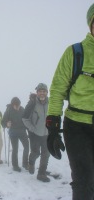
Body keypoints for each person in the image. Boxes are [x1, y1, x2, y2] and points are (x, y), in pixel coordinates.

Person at [46, 4, 94, 199]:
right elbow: (58, 89)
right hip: (77, 126)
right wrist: (53, 126)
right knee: (84, 179)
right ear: (90, 24)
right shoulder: (75, 53)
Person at [22, 83, 50, 182]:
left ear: (47, 92)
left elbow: (54, 116)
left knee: (46, 154)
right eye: (40, 91)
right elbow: (25, 118)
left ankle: (41, 174)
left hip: (47, 134)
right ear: (37, 92)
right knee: (36, 153)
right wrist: (32, 129)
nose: (42, 93)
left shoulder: (50, 102)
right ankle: (31, 163)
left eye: (44, 91)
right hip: (35, 134)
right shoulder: (32, 103)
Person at [2, 97, 29, 172]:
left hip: (22, 132)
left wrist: (28, 129)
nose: (17, 107)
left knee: (27, 147)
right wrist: (7, 124)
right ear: (12, 105)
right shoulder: (8, 111)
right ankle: (15, 165)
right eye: (16, 105)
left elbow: (26, 120)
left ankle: (25, 163)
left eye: (19, 105)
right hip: (13, 133)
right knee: (15, 149)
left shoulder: (22, 109)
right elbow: (3, 122)